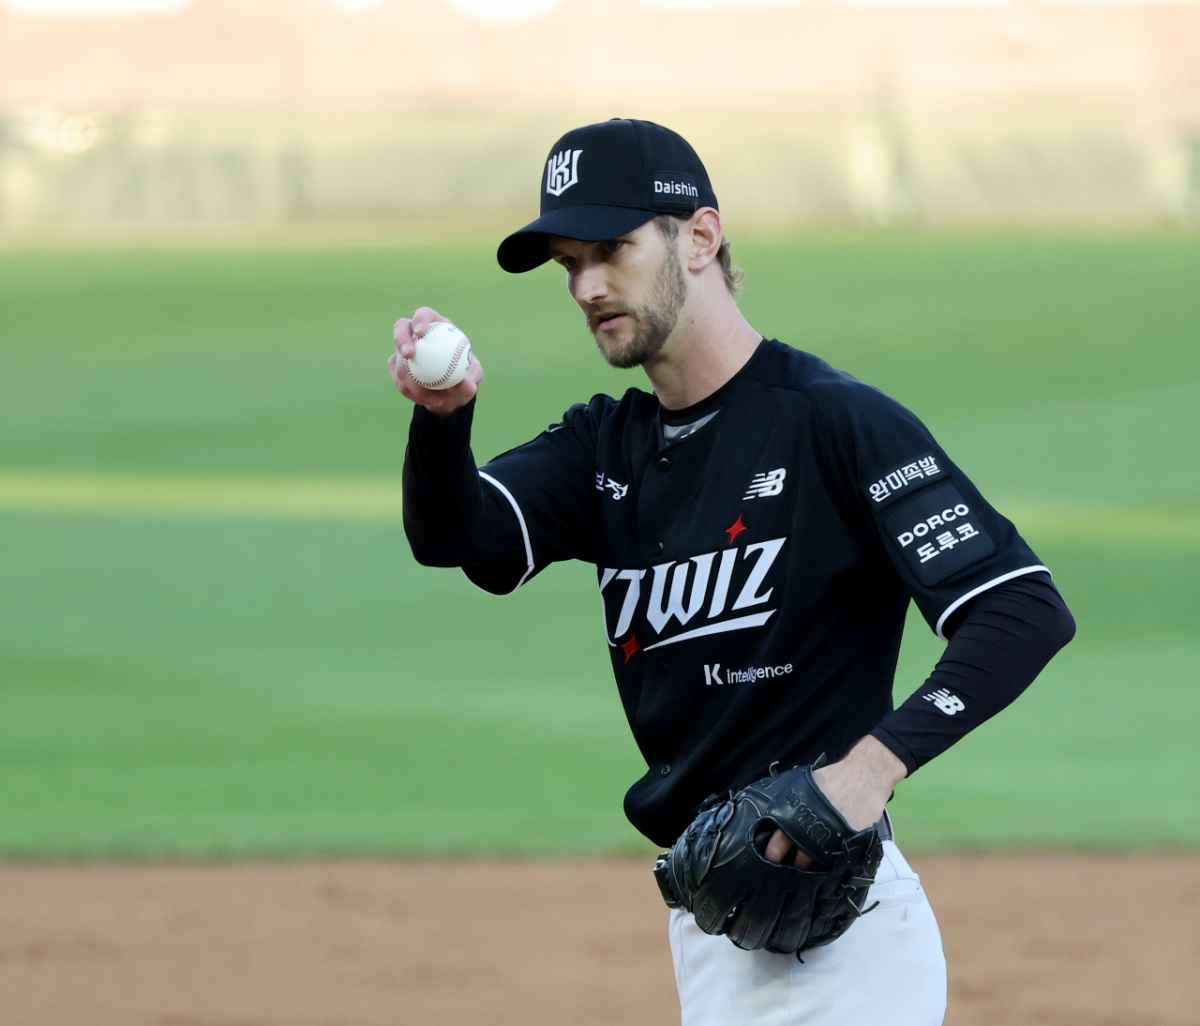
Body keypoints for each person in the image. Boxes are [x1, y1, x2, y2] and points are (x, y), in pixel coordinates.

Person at [389, 118, 1075, 1026]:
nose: (587, 286)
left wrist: (867, 772)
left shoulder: (832, 422)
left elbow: (1022, 609)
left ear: (701, 237)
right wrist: (442, 420)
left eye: (611, 250)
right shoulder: (606, 446)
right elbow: (459, 537)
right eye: (569, 265)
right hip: (713, 929)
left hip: (844, 939)